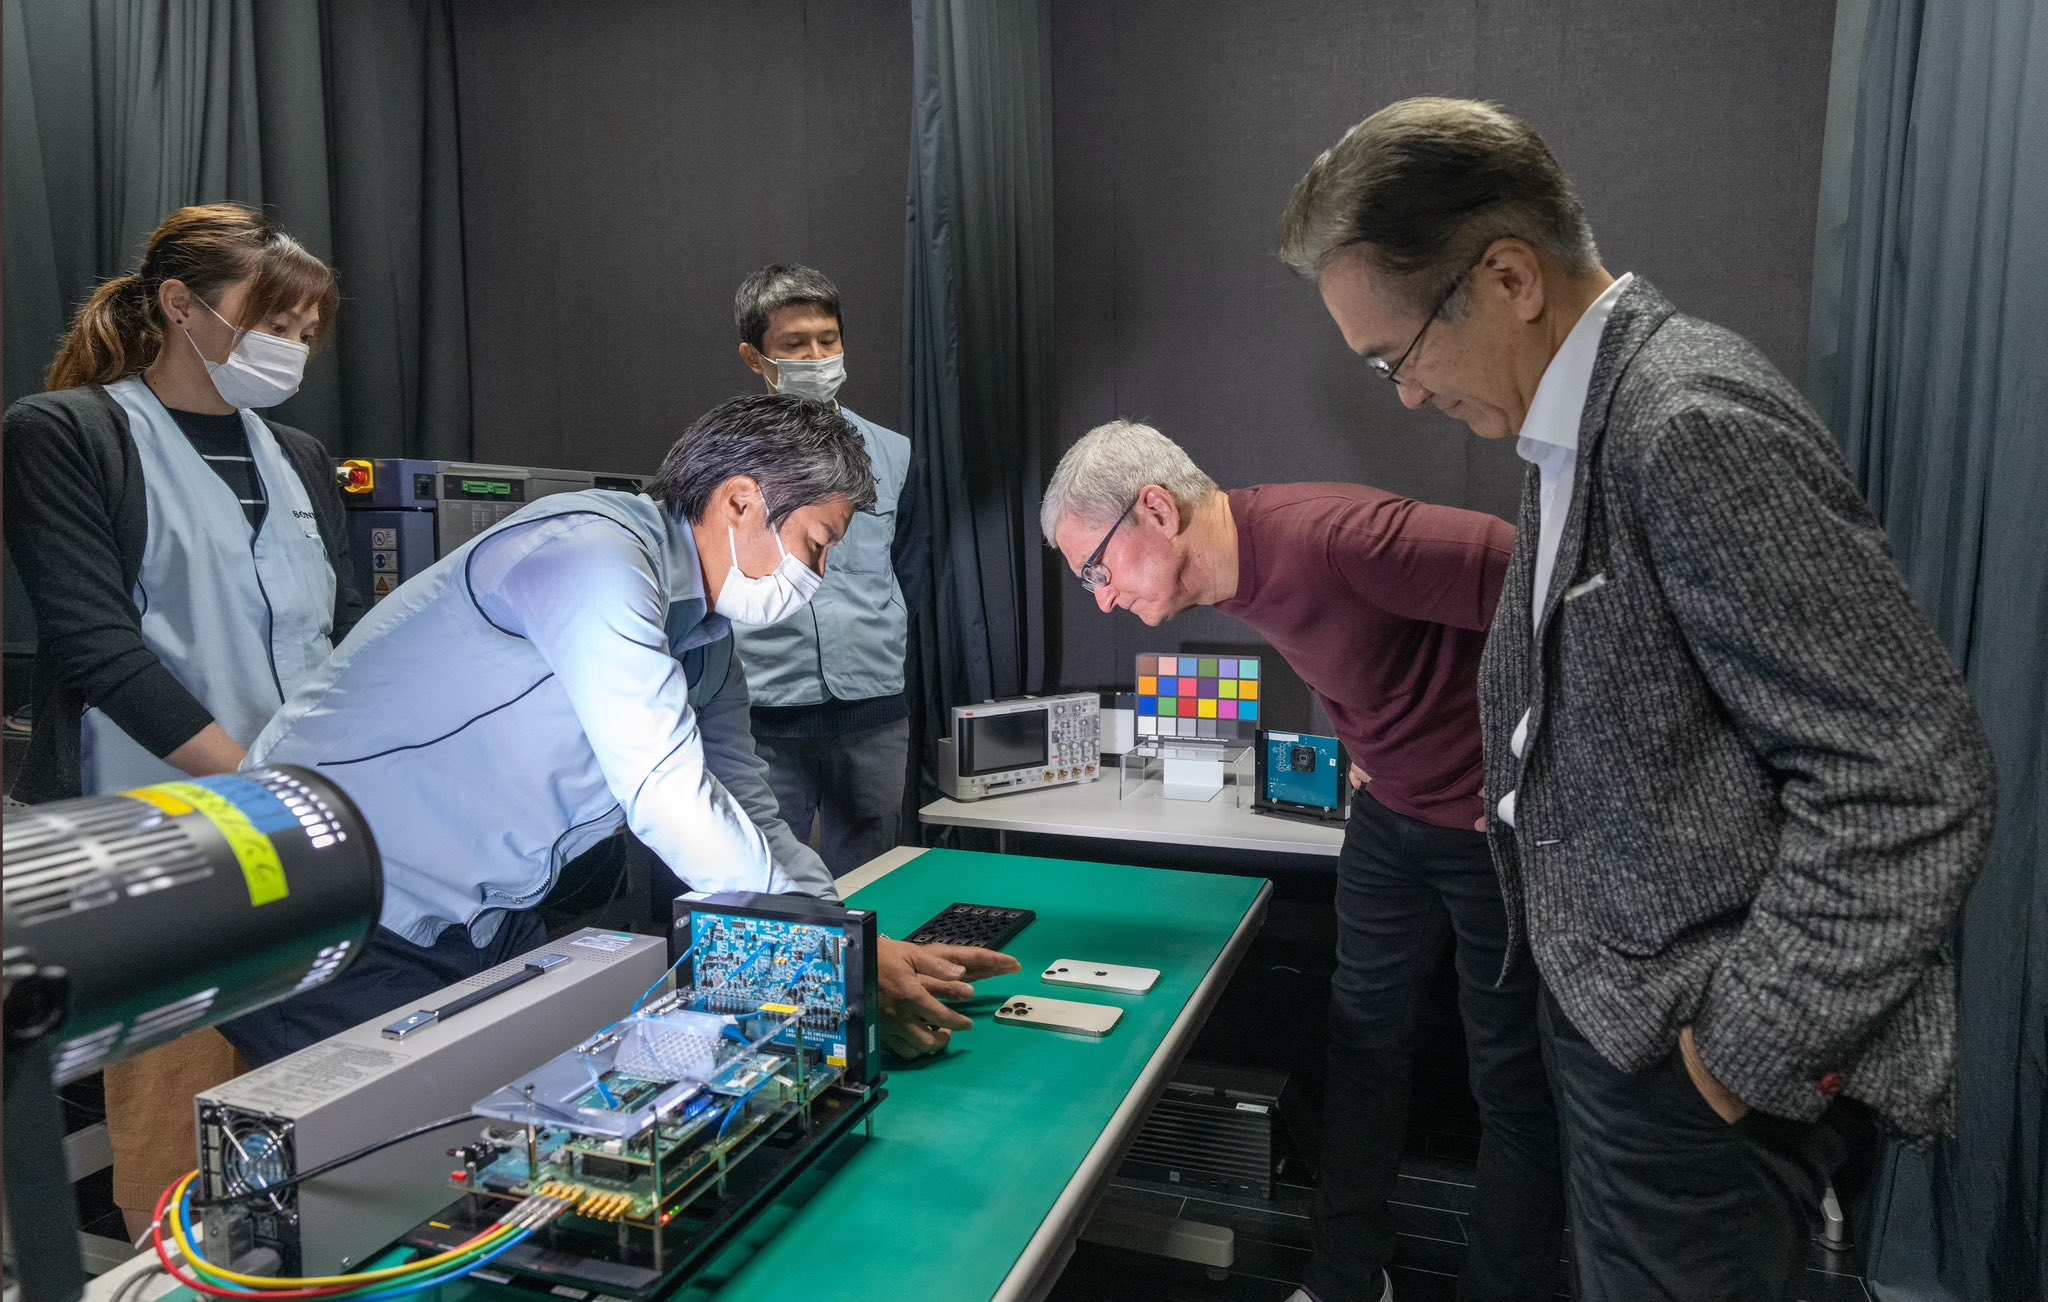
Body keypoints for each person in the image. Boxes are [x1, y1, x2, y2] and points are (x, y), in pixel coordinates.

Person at [1280, 97, 1994, 1300]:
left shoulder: (1684, 420)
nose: (1403, 395)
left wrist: (1739, 1052)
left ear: (1508, 277)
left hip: (1693, 1066)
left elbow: (1908, 776)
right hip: (1622, 1026)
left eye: (1395, 357)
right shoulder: (1573, 433)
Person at [229, 393, 1016, 1068]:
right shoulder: (592, 556)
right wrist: (840, 961)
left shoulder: (706, 640)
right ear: (741, 502)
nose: (816, 577)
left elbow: (750, 812)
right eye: (817, 544)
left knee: (524, 1122)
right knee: (396, 1163)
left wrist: (846, 937)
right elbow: (666, 795)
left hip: (475, 916)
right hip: (322, 903)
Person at [1041, 422, 1560, 1302]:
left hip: (1487, 837)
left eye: (1097, 568)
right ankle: (1347, 1280)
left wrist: (1538, 772)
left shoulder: (1337, 537)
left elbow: (1567, 591)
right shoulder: (1237, 576)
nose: (1101, 598)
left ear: (1156, 510)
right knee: (1361, 1047)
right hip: (1389, 824)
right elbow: (1369, 649)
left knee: (1510, 1077)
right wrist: (1364, 742)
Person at [2, 203, 359, 1230]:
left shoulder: (296, 455)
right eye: (273, 322)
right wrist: (254, 781)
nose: (292, 348)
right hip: (158, 839)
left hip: (298, 821)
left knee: (311, 1105)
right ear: (179, 305)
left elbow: (340, 632)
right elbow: (99, 648)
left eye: (306, 331)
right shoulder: (70, 434)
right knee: (178, 1119)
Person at [730, 264, 926, 876]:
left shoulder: (892, 452)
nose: (817, 356)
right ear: (755, 357)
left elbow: (909, 566)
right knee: (764, 882)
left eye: (828, 339)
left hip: (872, 709)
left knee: (875, 882)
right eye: (794, 344)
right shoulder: (722, 458)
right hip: (763, 713)